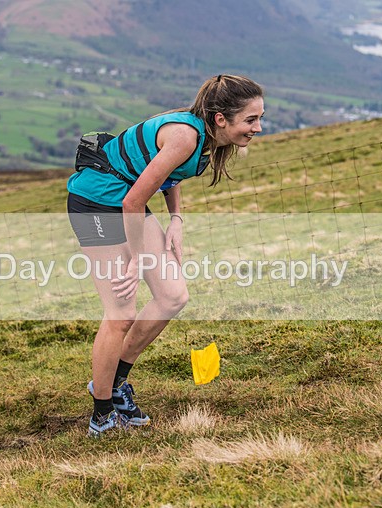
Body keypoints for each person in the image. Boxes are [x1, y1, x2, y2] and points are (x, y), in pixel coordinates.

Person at [67, 74, 264, 436]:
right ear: (222, 118)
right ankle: (102, 413)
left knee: (173, 295)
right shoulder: (185, 136)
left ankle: (116, 383)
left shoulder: (205, 137)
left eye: (260, 118)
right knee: (121, 312)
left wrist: (176, 219)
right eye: (251, 120)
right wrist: (136, 259)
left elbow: (166, 176)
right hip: (97, 204)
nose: (258, 128)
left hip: (125, 202)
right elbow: (132, 201)